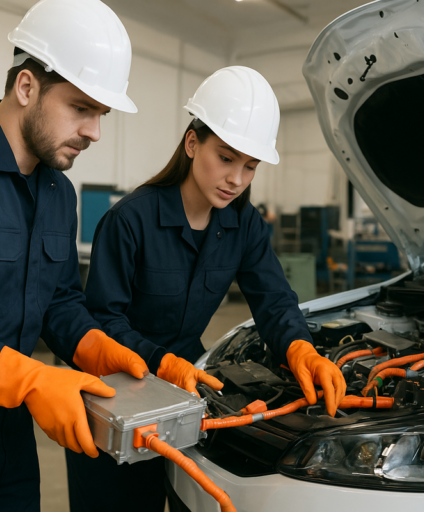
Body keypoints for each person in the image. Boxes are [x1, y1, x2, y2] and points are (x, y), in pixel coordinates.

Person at [66, 66, 347, 511]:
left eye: (250, 166)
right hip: (117, 394)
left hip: (191, 392)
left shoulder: (244, 225)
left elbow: (273, 297)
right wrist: (161, 362)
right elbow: (101, 322)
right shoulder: (130, 221)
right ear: (193, 143)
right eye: (226, 157)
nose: (236, 178)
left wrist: (300, 348)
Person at [0, 1, 149, 510]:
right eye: (81, 108)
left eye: (100, 114)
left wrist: (91, 346)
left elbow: (58, 301)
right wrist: (32, 378)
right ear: (26, 87)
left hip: (13, 444)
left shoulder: (60, 194)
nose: (94, 132)